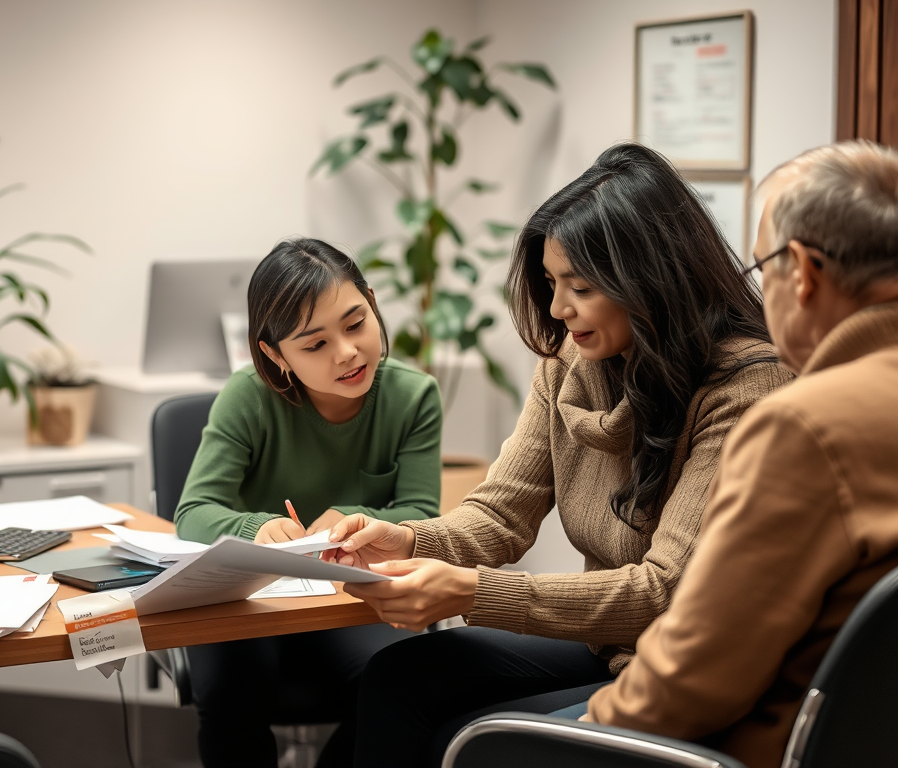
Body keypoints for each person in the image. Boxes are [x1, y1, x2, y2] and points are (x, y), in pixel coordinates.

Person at [323, 142, 793, 768]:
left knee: (477, 742)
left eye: (581, 286)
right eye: (551, 283)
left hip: (687, 669)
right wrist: (406, 543)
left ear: (650, 278)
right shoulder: (574, 363)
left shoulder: (745, 388)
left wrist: (470, 591)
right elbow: (499, 514)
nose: (557, 309)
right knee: (399, 679)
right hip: (609, 645)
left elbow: (664, 591)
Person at [581, 140, 898, 768]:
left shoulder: (805, 425)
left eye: (763, 267)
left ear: (803, 272)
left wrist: (587, 729)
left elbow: (693, 676)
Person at [174, 237, 443, 768]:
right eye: (315, 345)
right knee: (233, 691)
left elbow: (421, 515)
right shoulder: (248, 396)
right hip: (248, 600)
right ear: (276, 354)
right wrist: (258, 528)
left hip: (349, 602)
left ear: (370, 300)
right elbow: (193, 512)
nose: (347, 352)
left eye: (356, 322)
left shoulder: (412, 396)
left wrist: (363, 519)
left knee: (407, 685)